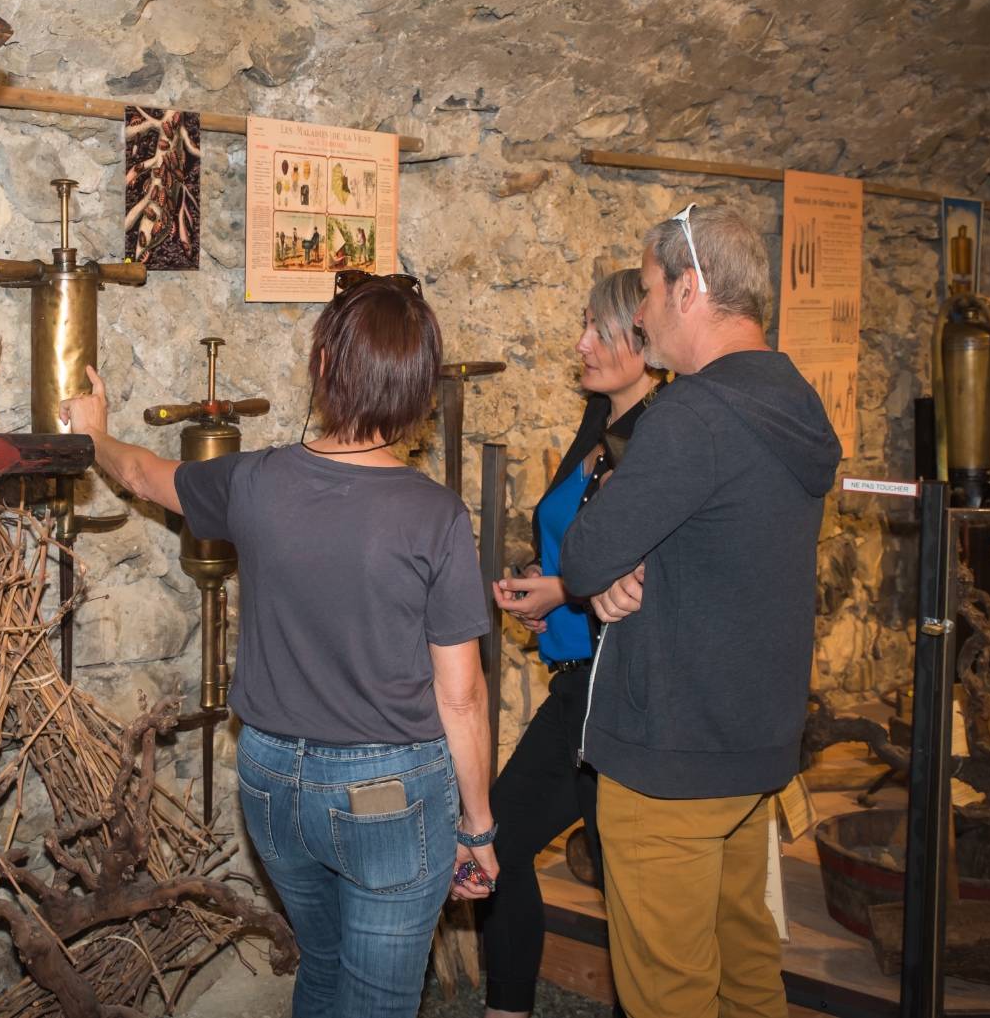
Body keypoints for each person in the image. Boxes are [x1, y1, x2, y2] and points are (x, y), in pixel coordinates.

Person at [60, 269, 499, 1018]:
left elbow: (139, 471)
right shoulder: (435, 517)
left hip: (270, 781)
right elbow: (460, 694)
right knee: (378, 998)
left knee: (322, 965)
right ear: (420, 390)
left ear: (322, 365)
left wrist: (94, 431)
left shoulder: (254, 482)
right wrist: (479, 825)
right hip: (387, 792)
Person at [558, 204, 841, 1018]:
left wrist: (612, 547)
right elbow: (716, 542)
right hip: (750, 746)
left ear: (690, 290)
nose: (638, 313)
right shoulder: (791, 397)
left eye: (646, 290)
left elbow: (581, 557)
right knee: (747, 974)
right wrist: (632, 560)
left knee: (669, 993)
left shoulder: (692, 414)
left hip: (670, 758)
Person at [480, 269, 663, 1018]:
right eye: (583, 325)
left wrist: (563, 591)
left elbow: (643, 567)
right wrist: (539, 581)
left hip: (617, 688)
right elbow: (572, 539)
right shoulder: (601, 420)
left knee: (632, 884)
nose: (581, 344)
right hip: (575, 681)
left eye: (599, 330)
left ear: (644, 342)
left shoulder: (661, 433)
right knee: (501, 842)